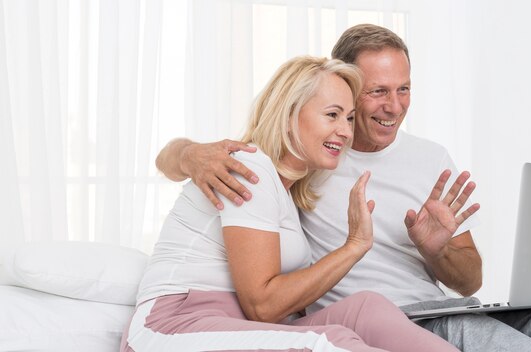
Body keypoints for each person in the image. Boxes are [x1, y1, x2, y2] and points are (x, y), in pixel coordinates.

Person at [154, 25, 531, 351]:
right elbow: (236, 155)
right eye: (377, 91)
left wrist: (437, 251)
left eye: (404, 89)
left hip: (457, 305)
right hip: (404, 320)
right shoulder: (310, 156)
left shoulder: (430, 157)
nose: (393, 107)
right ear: (343, 86)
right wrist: (188, 153)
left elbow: (470, 280)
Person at [121, 56, 461, 352]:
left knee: (366, 308)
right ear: (288, 115)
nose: (344, 131)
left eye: (349, 118)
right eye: (332, 115)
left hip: (240, 325)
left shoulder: (291, 191)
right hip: (174, 326)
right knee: (325, 343)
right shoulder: (247, 167)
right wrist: (355, 245)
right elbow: (263, 306)